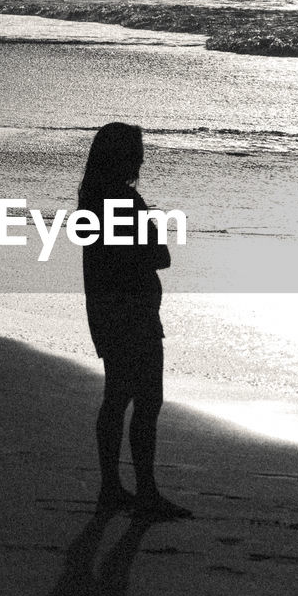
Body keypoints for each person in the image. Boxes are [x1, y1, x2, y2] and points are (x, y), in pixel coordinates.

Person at [78, 122, 192, 520]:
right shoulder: (123, 200)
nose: (142, 159)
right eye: (137, 151)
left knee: (117, 398)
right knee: (147, 400)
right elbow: (160, 257)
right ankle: (145, 491)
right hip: (133, 313)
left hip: (106, 310)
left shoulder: (91, 197)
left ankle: (113, 487)